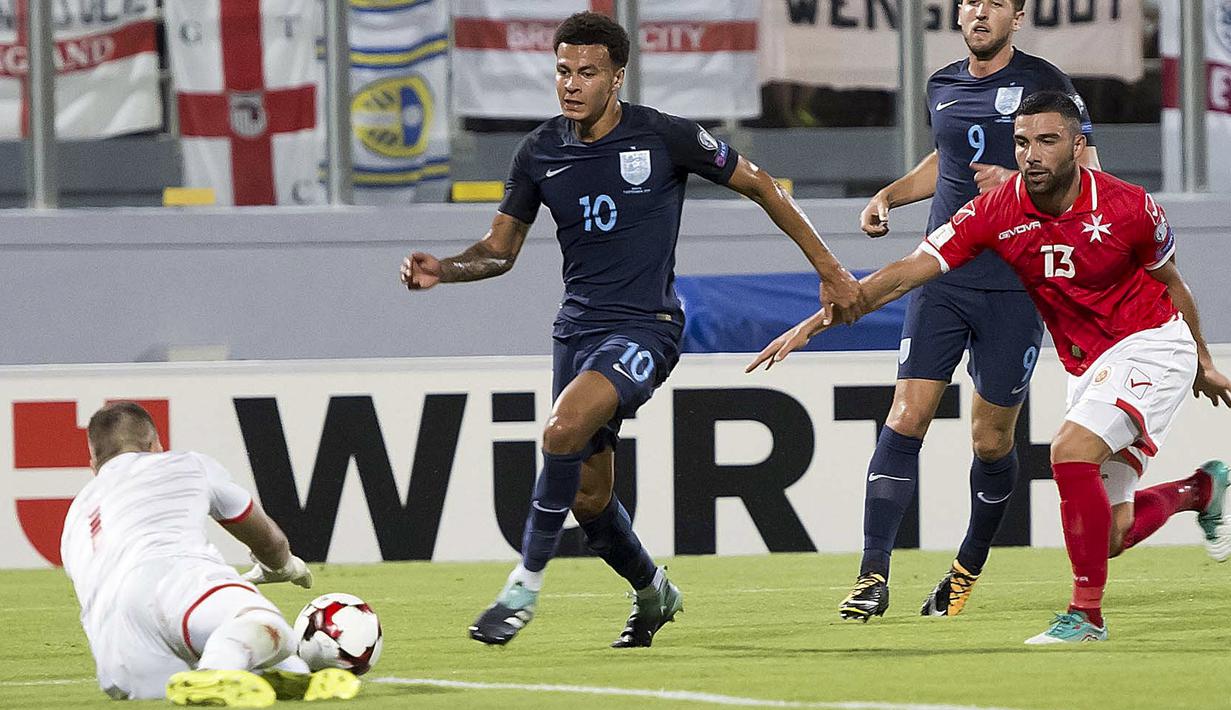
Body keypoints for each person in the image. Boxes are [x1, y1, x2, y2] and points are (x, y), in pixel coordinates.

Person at [399, 11, 862, 647]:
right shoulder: (539, 150)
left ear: (618, 76)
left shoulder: (664, 137)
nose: (571, 84)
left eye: (586, 73)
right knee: (590, 500)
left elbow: (761, 185)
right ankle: (653, 593)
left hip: (647, 327)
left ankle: (524, 585)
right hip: (577, 332)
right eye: (562, 71)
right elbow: (499, 251)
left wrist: (831, 271)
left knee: (561, 428)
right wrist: (444, 270)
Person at [748, 91, 1231, 644]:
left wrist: (1202, 361)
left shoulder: (1128, 206)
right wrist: (816, 322)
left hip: (1151, 345)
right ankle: (1200, 490)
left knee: (1068, 449)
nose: (1032, 155)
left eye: (1047, 141)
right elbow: (909, 270)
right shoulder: (996, 211)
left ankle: (1085, 617)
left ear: (1078, 146)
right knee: (1110, 535)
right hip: (1091, 365)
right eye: (1023, 142)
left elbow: (1173, 284)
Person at [847, 0, 1102, 621]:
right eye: (970, 2)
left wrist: (1023, 189)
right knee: (906, 414)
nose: (979, 12)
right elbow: (947, 162)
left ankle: (966, 568)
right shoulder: (943, 84)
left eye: (995, 3)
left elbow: (1090, 179)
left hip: (1015, 286)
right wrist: (890, 194)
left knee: (991, 440)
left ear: (1017, 17)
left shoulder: (1046, 86)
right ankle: (871, 575)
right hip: (945, 275)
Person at [60, 402, 359, 705]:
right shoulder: (186, 464)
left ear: (93, 466)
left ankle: (290, 675)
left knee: (261, 657)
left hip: (117, 655)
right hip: (171, 581)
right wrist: (283, 568)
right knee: (268, 627)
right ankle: (219, 670)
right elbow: (271, 543)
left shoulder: (73, 520)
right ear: (155, 445)